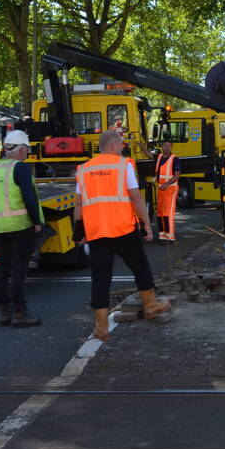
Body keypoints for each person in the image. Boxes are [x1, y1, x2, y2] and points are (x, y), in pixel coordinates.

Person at [75, 131, 171, 341]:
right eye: (120, 145)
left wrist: (79, 232)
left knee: (100, 277)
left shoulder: (84, 170)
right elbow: (135, 197)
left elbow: (79, 204)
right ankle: (150, 306)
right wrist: (147, 224)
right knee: (140, 266)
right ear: (112, 146)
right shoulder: (123, 165)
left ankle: (101, 328)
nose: (122, 148)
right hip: (123, 229)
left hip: (97, 232)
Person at [0, 130, 43, 327]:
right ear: (20, 149)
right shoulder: (20, 168)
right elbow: (29, 197)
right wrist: (36, 222)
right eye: (26, 149)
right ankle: (20, 312)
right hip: (20, 225)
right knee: (18, 270)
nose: (27, 153)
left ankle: (4, 311)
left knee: (3, 270)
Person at [153, 140, 181, 244]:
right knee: (160, 213)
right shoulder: (160, 157)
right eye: (165, 145)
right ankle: (162, 236)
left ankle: (170, 238)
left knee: (168, 213)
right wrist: (143, 148)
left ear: (171, 147)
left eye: (169, 146)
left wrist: (166, 184)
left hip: (170, 189)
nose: (167, 147)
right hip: (161, 189)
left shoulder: (175, 159)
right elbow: (150, 156)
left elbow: (177, 175)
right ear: (162, 147)